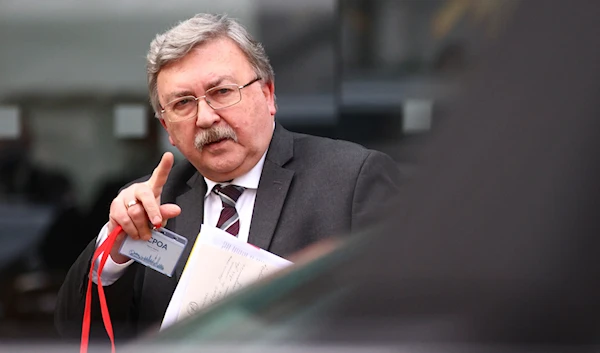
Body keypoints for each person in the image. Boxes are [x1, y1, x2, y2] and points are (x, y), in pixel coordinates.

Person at [54, 13, 403, 342]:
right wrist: (114, 250)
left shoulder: (352, 179)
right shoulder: (152, 202)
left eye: (221, 92)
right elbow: (75, 333)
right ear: (168, 130)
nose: (205, 118)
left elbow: (405, 316)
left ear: (267, 94)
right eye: (183, 104)